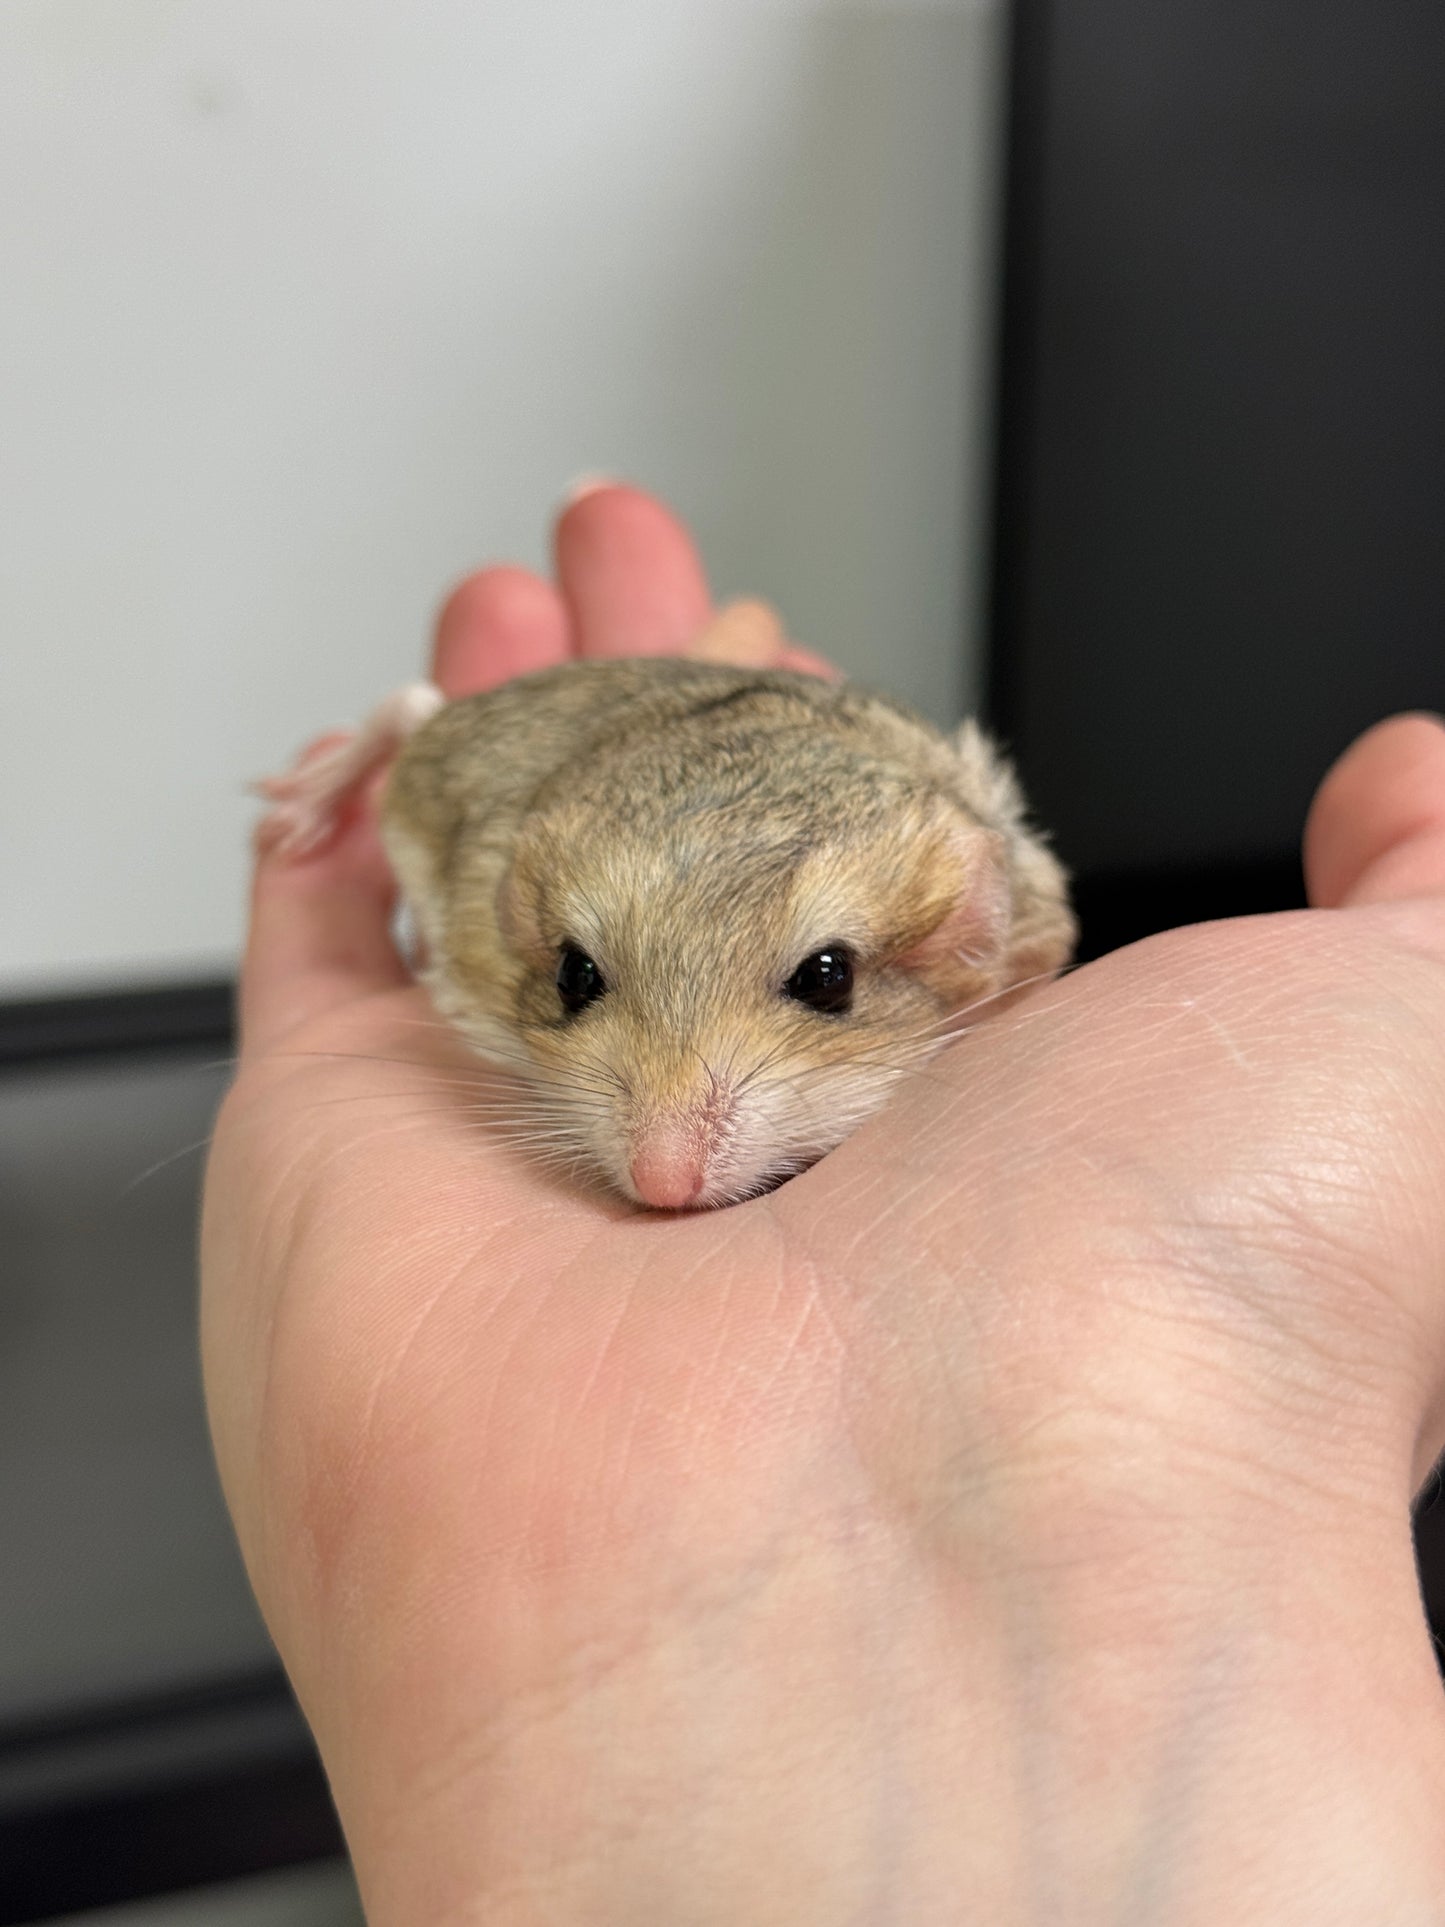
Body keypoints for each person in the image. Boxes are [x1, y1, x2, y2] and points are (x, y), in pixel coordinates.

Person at [202, 484, 1445, 1922]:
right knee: (447, 746)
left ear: (949, 942)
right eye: (588, 986)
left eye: (819, 985)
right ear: (544, 943)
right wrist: (394, 750)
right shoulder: (518, 868)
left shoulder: (980, 909)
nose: (668, 1170)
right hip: (561, 763)